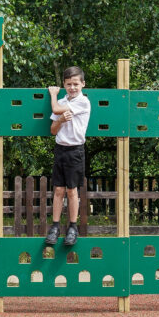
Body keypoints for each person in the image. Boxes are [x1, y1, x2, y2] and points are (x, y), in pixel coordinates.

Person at [45, 66, 90, 248]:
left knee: (72, 190)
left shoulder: (83, 102)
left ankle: (72, 227)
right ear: (64, 84)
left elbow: (55, 108)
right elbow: (53, 130)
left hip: (75, 151)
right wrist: (60, 120)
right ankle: (55, 226)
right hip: (60, 149)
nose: (72, 87)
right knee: (58, 190)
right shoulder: (64, 102)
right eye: (69, 84)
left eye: (76, 84)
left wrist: (53, 94)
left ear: (83, 85)